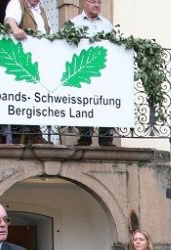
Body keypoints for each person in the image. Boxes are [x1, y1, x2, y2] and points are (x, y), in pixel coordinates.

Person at [4, 0, 52, 145]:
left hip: (38, 62)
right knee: (21, 98)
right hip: (23, 59)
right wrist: (15, 30)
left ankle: (35, 135)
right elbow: (10, 20)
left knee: (35, 98)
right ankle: (21, 137)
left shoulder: (41, 10)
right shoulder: (17, 4)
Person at [70, 0, 114, 147]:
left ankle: (106, 139)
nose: (97, 5)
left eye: (99, 2)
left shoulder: (107, 25)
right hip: (83, 71)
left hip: (103, 72)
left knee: (106, 102)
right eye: (93, 1)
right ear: (85, 3)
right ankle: (84, 137)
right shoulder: (74, 24)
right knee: (85, 102)